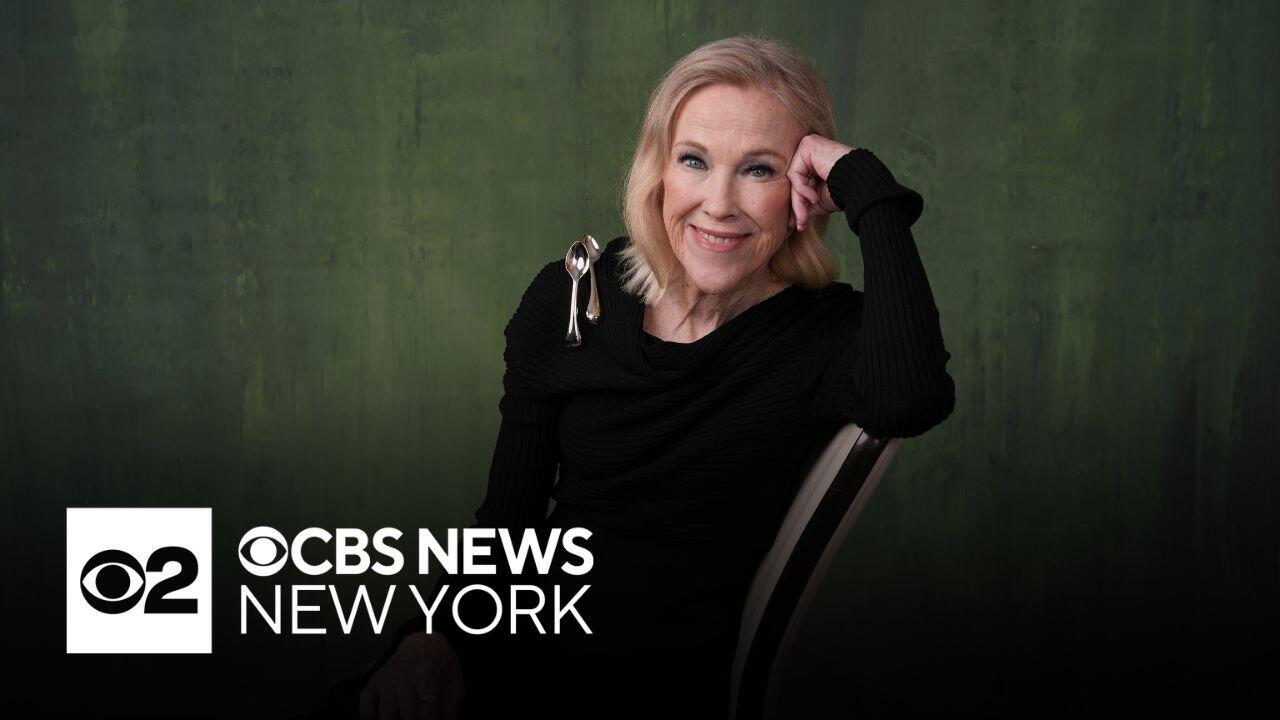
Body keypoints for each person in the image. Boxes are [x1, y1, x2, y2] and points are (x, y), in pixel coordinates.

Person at [354, 34, 955, 720]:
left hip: (644, 690)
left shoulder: (822, 334)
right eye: (694, 160)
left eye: (759, 169)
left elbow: (911, 397)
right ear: (658, 170)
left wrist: (865, 186)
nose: (719, 203)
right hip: (505, 654)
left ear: (802, 189)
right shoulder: (573, 296)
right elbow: (505, 530)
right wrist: (431, 640)